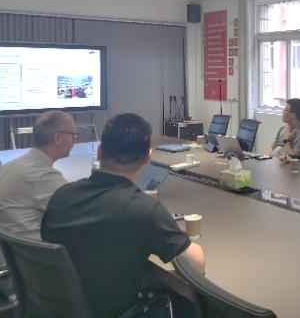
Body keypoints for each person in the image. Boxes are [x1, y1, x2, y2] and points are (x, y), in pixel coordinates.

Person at [42, 113, 206, 318]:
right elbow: (196, 265)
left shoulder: (61, 196)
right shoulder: (144, 210)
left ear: (99, 152)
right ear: (148, 158)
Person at [0, 111, 76, 294]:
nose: (74, 141)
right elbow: (79, 219)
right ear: (58, 138)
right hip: (19, 277)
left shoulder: (11, 166)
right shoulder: (42, 176)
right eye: (73, 135)